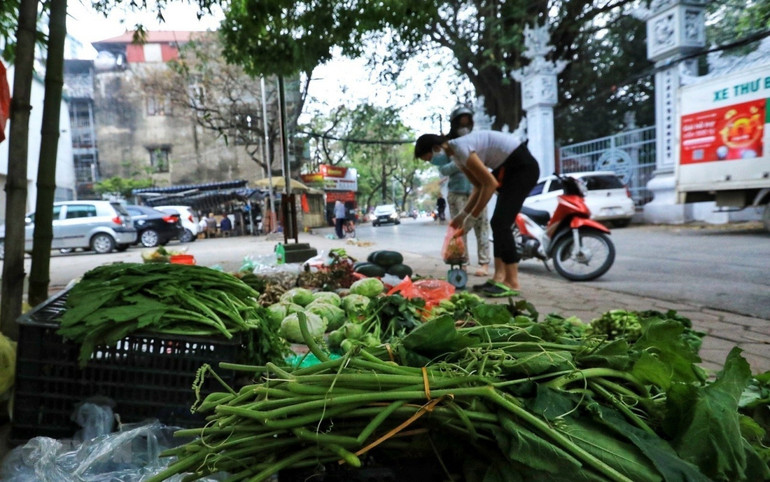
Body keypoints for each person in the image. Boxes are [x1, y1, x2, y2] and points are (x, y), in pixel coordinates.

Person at [414, 130, 540, 297]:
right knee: (498, 224)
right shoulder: (456, 156)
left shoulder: (460, 147)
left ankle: (512, 282)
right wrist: (463, 215)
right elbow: (478, 186)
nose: (433, 162)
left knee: (501, 223)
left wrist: (472, 217)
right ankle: (498, 278)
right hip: (507, 169)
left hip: (522, 167)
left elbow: (490, 184)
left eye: (429, 158)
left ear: (437, 148)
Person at [432, 105, 491, 276]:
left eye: (467, 122)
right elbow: (443, 170)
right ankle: (462, 262)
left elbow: (485, 163)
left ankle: (484, 263)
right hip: (456, 192)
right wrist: (463, 162)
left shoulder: (477, 141)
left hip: (478, 190)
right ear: (454, 124)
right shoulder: (449, 145)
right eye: (461, 123)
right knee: (460, 228)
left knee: (482, 227)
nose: (464, 126)